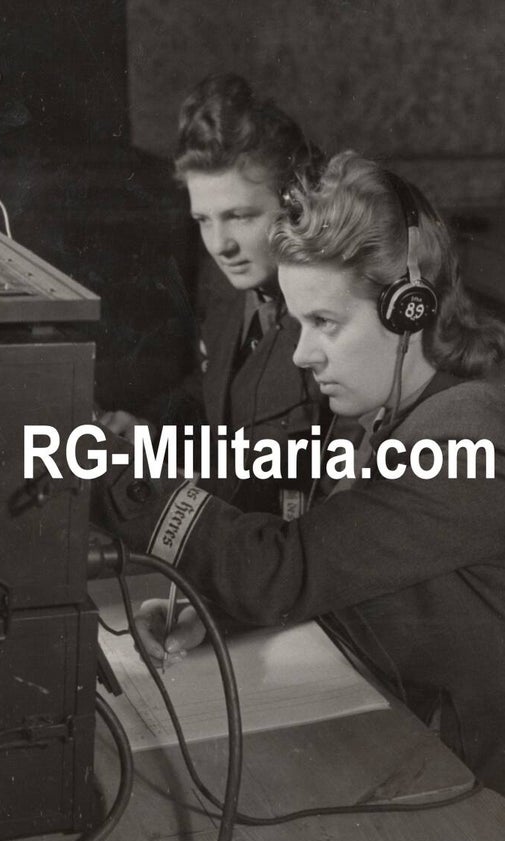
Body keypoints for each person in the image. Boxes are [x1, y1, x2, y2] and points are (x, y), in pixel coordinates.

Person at [93, 152, 505, 841]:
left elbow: (287, 569)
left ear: (410, 312)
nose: (301, 355)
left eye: (326, 322)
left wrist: (120, 478)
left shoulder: (479, 434)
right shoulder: (401, 410)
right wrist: (218, 610)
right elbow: (356, 559)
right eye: (297, 321)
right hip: (433, 758)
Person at [102, 73, 334, 518]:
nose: (219, 243)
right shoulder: (229, 283)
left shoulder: (334, 318)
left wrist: (158, 459)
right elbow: (214, 387)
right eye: (204, 220)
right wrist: (150, 431)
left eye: (240, 216)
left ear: (295, 203)